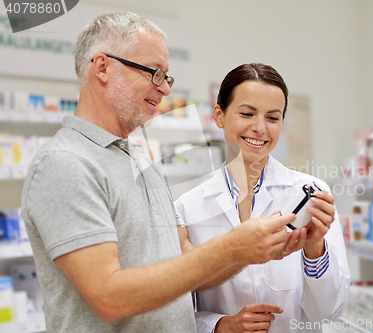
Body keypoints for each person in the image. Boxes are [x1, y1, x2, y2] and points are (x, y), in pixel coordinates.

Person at [21, 13, 298, 333]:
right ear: (102, 67)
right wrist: (232, 247)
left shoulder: (139, 162)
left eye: (167, 77)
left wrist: (255, 249)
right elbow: (110, 298)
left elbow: (189, 264)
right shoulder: (65, 163)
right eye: (155, 73)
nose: (165, 89)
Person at [175, 63, 351, 333]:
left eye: (273, 118)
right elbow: (175, 312)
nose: (260, 128)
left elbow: (328, 312)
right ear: (219, 116)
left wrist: (314, 247)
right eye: (247, 113)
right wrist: (219, 325)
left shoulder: (312, 192)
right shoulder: (187, 209)